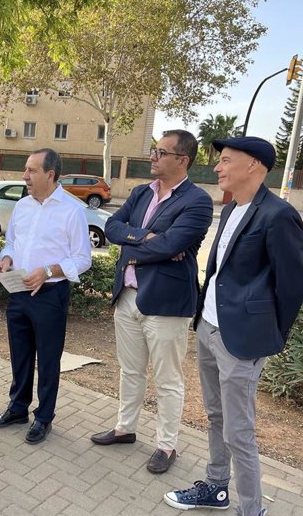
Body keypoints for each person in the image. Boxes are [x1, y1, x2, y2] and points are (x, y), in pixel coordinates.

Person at [164, 137, 303, 516]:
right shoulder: (229, 211)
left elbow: (292, 284)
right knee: (215, 416)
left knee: (238, 432)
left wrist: (269, 336)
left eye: (226, 160)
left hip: (242, 341)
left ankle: (251, 509)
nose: (217, 167)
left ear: (254, 166)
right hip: (210, 327)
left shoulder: (278, 215)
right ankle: (215, 487)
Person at [90, 129, 213, 474]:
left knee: (168, 378)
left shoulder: (197, 201)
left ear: (182, 160)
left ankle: (167, 445)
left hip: (166, 303)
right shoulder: (142, 192)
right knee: (130, 370)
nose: (152, 157)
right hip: (126, 296)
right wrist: (145, 238)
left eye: (160, 152)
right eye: (154, 151)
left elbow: (171, 245)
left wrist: (138, 249)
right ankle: (125, 428)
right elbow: (112, 227)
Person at [0, 148, 91, 444]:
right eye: (25, 169)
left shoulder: (72, 211)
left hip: (50, 295)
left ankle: (43, 417)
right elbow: (11, 243)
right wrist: (5, 260)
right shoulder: (22, 205)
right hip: (18, 291)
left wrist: (49, 270)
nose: (25, 176)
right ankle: (18, 408)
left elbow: (83, 259)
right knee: (19, 355)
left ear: (51, 174)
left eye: (31, 171)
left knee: (47, 360)